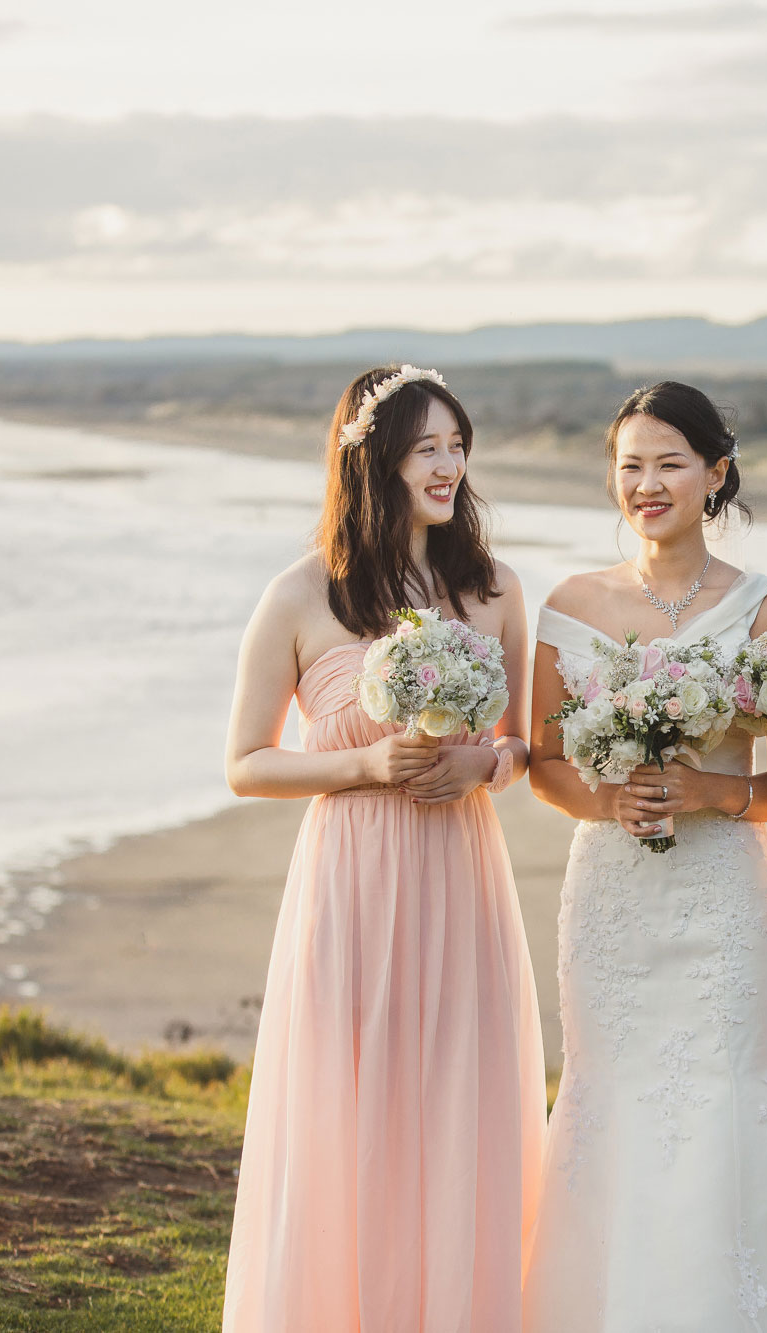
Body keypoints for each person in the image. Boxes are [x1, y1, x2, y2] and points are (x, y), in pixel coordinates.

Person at [220, 365, 545, 1333]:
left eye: (457, 446)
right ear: (374, 461)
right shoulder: (299, 594)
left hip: (459, 869)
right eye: (425, 449)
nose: (447, 467)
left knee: (457, 1103)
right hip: (352, 877)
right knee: (345, 1106)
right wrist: (364, 765)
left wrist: (481, 765)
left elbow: (526, 744)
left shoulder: (491, 588)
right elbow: (244, 763)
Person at [520, 381, 767, 1333]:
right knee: (612, 1094)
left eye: (669, 463)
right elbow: (545, 763)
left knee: (731, 1090)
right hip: (613, 898)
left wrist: (719, 794)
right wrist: (610, 797)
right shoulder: (570, 603)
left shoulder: (766, 607)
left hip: (724, 900)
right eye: (629, 465)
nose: (647, 483)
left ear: (716, 472)